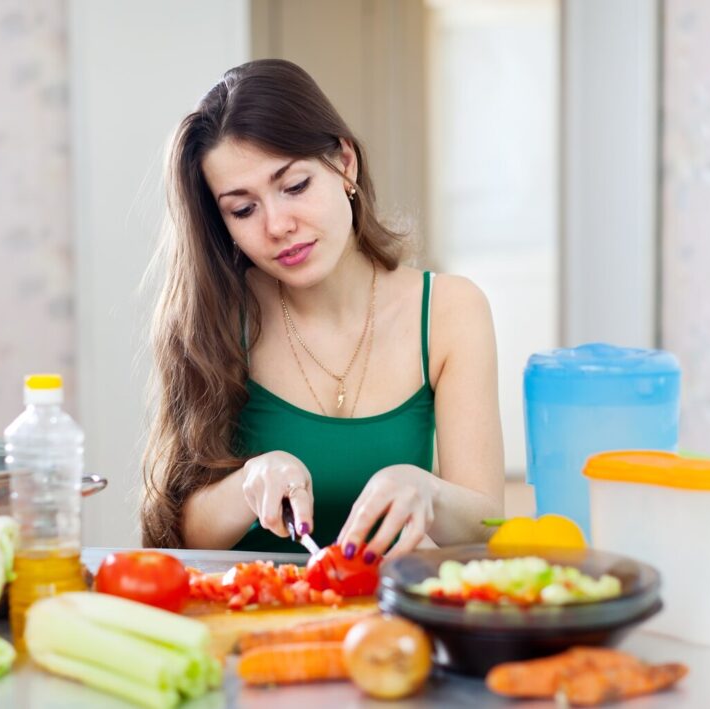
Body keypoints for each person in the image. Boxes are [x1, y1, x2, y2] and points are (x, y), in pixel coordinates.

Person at [141, 59, 504, 562]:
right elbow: (177, 536)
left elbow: (485, 525)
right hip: (248, 612)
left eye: (294, 186)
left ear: (345, 165)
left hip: (382, 619)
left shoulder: (450, 311)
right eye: (243, 209)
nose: (277, 225)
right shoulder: (214, 317)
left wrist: (428, 491)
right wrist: (249, 482)